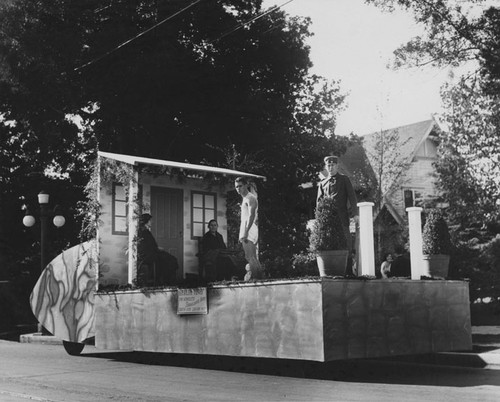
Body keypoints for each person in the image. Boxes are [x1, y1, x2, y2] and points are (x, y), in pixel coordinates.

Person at [316, 155, 359, 252]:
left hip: (342, 218)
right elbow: (319, 203)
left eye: (333, 165)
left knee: (346, 243)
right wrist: (319, 219)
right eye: (328, 165)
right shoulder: (323, 183)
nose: (330, 168)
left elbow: (352, 196)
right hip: (329, 220)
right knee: (330, 245)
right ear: (326, 167)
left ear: (337, 166)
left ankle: (347, 265)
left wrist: (355, 214)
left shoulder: (344, 179)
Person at [137, 213, 178, 286]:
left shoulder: (145, 230)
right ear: (147, 221)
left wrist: (156, 248)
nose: (151, 222)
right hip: (148, 255)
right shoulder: (144, 231)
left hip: (151, 252)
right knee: (171, 260)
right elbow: (146, 246)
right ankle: (167, 282)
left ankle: (166, 281)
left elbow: (150, 244)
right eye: (150, 220)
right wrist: (156, 249)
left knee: (169, 258)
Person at [235, 176, 262, 281]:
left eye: (240, 186)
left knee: (250, 256)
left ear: (246, 185)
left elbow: (251, 216)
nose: (238, 189)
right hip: (247, 227)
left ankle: (258, 279)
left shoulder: (250, 198)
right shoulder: (245, 198)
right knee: (251, 257)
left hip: (249, 228)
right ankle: (258, 279)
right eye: (236, 187)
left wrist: (245, 232)